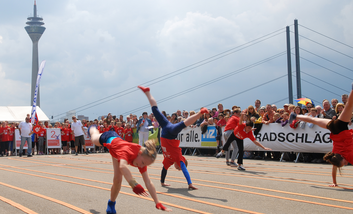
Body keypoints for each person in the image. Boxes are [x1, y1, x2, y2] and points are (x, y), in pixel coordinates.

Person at [138, 85, 208, 190]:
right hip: (170, 133)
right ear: (181, 164)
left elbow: (164, 170)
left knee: (155, 111)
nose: (177, 169)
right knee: (183, 124)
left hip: (165, 129)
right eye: (178, 168)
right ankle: (200, 113)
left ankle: (147, 93)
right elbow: (185, 170)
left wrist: (162, 183)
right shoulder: (178, 158)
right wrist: (190, 183)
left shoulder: (169, 161)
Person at [88, 127, 170, 213]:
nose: (142, 166)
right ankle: (92, 128)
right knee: (93, 138)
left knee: (117, 179)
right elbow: (123, 166)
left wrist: (157, 202)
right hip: (109, 137)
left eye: (145, 164)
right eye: (142, 162)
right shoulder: (126, 151)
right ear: (139, 153)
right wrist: (133, 184)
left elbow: (148, 182)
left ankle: (111, 204)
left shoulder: (142, 160)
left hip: (117, 148)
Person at [288, 83, 353, 187]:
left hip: (340, 127)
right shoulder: (335, 154)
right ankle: (295, 116)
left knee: (349, 106)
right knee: (313, 119)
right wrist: (334, 183)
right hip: (333, 128)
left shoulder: (349, 157)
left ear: (341, 157)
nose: (346, 164)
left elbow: (336, 166)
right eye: (344, 164)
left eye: (344, 163)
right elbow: (334, 167)